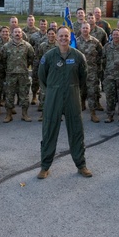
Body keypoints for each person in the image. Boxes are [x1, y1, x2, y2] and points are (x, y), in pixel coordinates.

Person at [37, 27, 92, 179]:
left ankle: (81, 165)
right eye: (60, 36)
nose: (63, 38)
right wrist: (51, 91)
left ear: (70, 37)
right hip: (53, 97)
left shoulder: (78, 56)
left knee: (76, 131)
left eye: (66, 36)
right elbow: (41, 77)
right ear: (56, 38)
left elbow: (83, 76)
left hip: (72, 96)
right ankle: (45, 166)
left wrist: (73, 89)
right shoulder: (48, 56)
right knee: (49, 131)